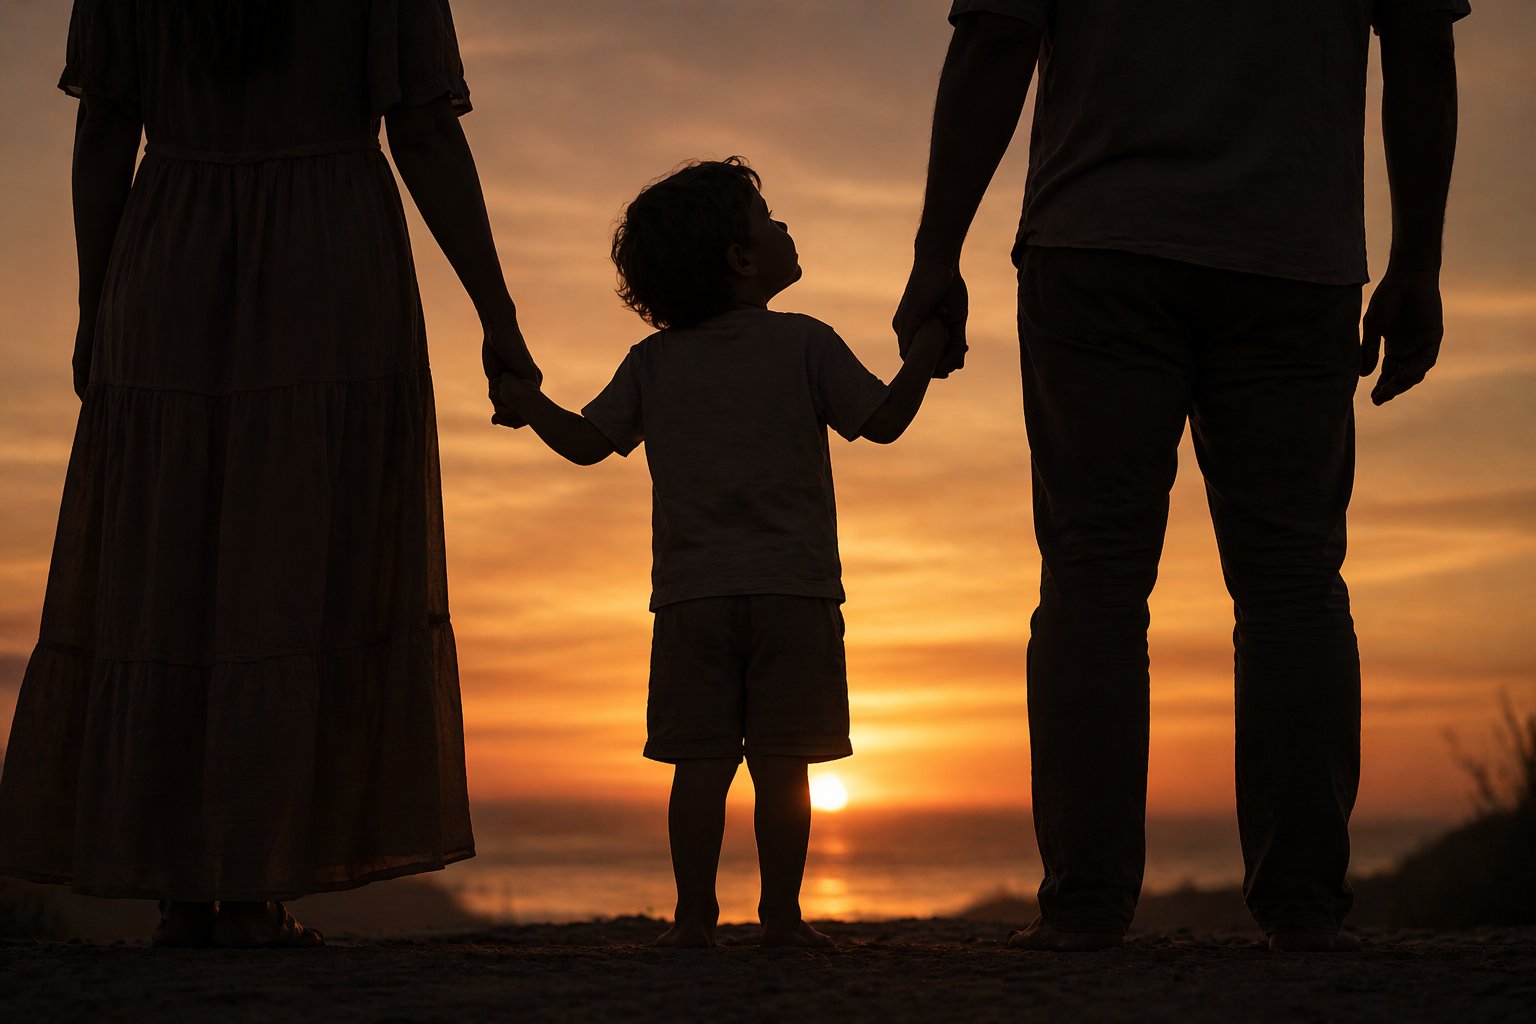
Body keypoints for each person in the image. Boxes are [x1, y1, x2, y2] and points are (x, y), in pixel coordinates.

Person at [896, 1, 1469, 952]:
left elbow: (997, 35)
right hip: (1291, 254)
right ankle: (1302, 909)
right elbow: (1421, 43)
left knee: (1093, 577)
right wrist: (1418, 264)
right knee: (1291, 580)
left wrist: (934, 256)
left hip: (1099, 242)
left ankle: (1085, 907)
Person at [0, 0, 538, 947]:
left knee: (168, 569)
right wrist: (496, 311)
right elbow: (422, 128)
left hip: (169, 249)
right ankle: (250, 884)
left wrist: (99, 297)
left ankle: (184, 890)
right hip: (327, 255)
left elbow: (105, 127)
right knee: (290, 568)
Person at [492, 158, 948, 948]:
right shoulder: (806, 342)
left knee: (697, 762)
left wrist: (528, 401)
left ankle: (694, 917)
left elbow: (584, 444)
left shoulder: (653, 362)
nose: (783, 228)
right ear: (741, 260)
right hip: (794, 595)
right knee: (784, 764)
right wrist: (922, 361)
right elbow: (880, 422)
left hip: (690, 598)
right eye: (768, 219)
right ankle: (781, 918)